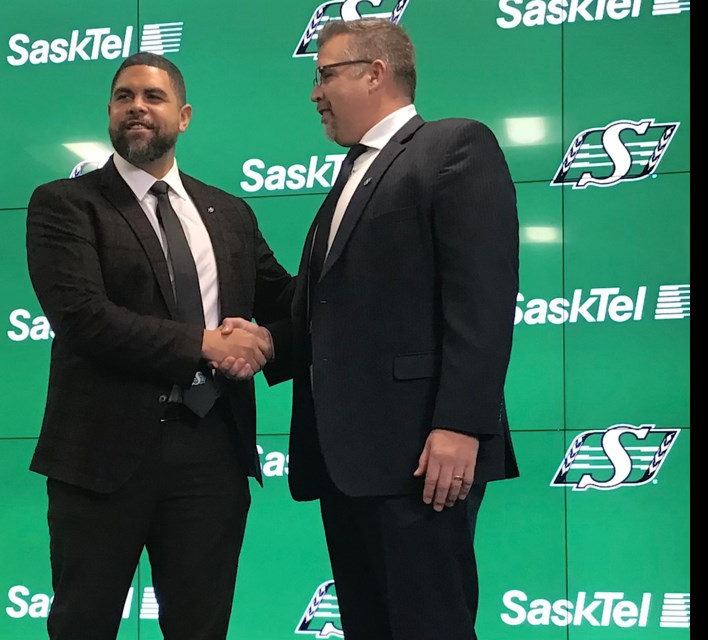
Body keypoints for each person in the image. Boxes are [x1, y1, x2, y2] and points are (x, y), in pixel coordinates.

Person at [221, 17, 520, 640]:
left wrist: (461, 425)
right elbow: (333, 308)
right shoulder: (351, 173)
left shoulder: (454, 146)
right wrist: (271, 341)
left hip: (422, 455)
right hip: (349, 462)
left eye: (326, 74)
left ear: (375, 73)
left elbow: (482, 300)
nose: (314, 93)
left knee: (428, 624)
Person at [25, 52, 293, 640]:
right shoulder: (65, 204)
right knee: (82, 624)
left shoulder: (230, 214)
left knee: (201, 628)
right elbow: (84, 319)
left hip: (212, 456)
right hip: (100, 458)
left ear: (185, 115)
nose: (137, 107)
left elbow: (284, 304)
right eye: (124, 97)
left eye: (153, 96)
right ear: (110, 113)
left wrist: (265, 343)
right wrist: (207, 343)